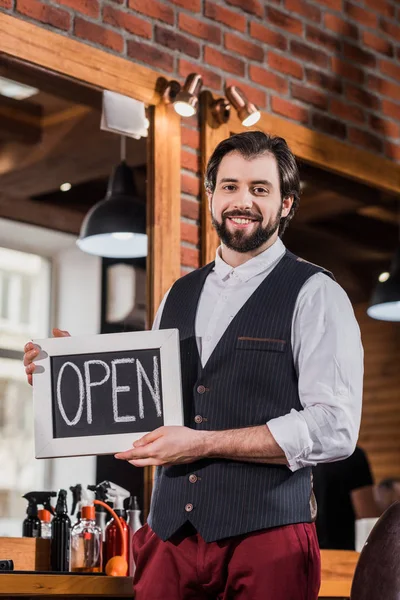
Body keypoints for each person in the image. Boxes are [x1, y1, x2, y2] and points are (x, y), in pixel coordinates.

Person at [24, 131, 363, 600]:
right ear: (211, 196)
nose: (241, 201)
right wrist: (69, 368)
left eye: (259, 189)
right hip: (170, 539)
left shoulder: (316, 293)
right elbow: (155, 403)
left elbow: (335, 427)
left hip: (268, 538)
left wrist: (203, 443)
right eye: (229, 186)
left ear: (286, 204)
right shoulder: (178, 295)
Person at [313, 446, 380, 550]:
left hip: (307, 551)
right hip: (343, 551)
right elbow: (367, 515)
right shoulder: (352, 454)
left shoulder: (298, 456)